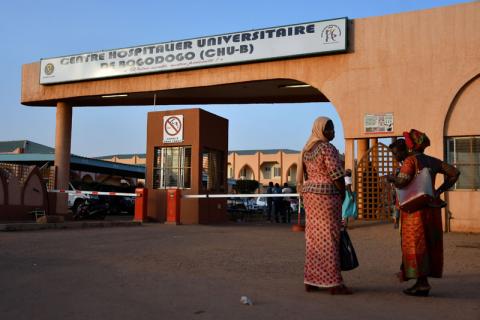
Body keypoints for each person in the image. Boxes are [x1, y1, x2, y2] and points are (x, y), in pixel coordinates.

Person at [387, 130, 460, 297]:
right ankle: (418, 278)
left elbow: (402, 181)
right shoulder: (432, 161)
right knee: (428, 242)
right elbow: (455, 173)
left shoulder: (410, 161)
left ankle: (422, 283)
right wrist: (438, 191)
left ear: (410, 145)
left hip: (415, 211)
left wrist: (391, 179)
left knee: (416, 243)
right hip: (431, 208)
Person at [296, 116, 352, 295]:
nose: (332, 132)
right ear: (320, 130)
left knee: (313, 237)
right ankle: (334, 283)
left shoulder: (307, 149)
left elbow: (305, 174)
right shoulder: (327, 148)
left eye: (333, 129)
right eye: (329, 129)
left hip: (310, 195)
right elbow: (336, 174)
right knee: (330, 236)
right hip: (327, 196)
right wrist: (343, 192)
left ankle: (311, 280)